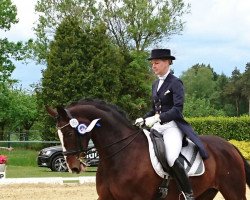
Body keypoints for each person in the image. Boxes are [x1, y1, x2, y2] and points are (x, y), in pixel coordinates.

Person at [135, 49, 208, 200]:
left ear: (167, 62)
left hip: (172, 126)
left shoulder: (176, 82)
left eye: (156, 63)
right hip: (157, 127)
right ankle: (159, 185)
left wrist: (157, 118)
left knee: (170, 157)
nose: (153, 66)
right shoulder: (155, 84)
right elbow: (153, 109)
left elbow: (177, 109)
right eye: (152, 63)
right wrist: (143, 119)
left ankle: (188, 194)